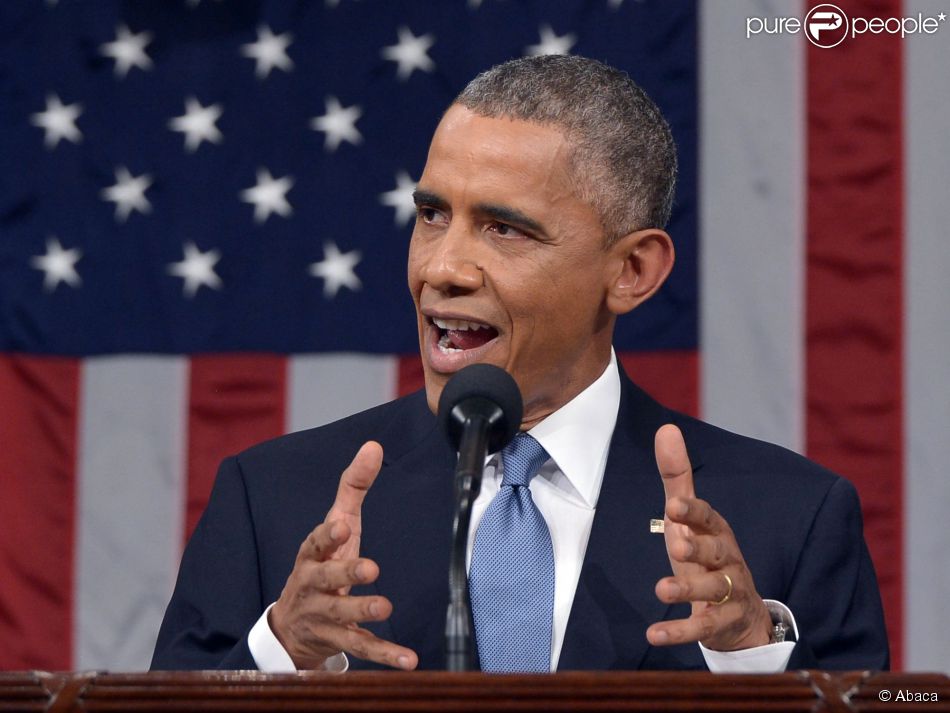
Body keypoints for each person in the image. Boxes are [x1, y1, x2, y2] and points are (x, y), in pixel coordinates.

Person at [151, 55, 888, 673]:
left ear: (632, 269)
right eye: (433, 214)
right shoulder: (273, 502)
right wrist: (286, 651)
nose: (441, 267)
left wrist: (748, 655)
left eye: (504, 228)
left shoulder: (790, 521)